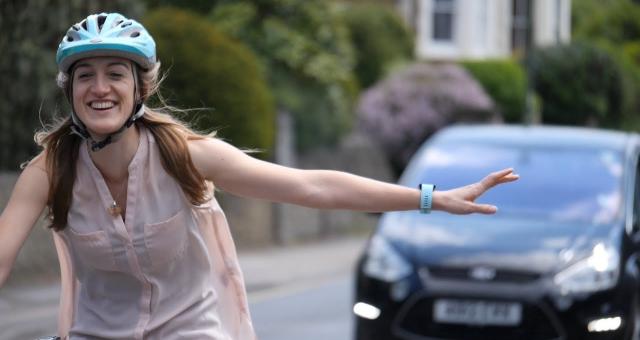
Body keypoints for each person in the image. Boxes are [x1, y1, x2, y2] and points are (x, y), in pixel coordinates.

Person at [0, 12, 518, 340]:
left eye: (115, 73)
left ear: (141, 89)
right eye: (85, 75)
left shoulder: (186, 155)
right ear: (70, 91)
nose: (100, 88)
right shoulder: (51, 171)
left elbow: (310, 186)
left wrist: (430, 198)